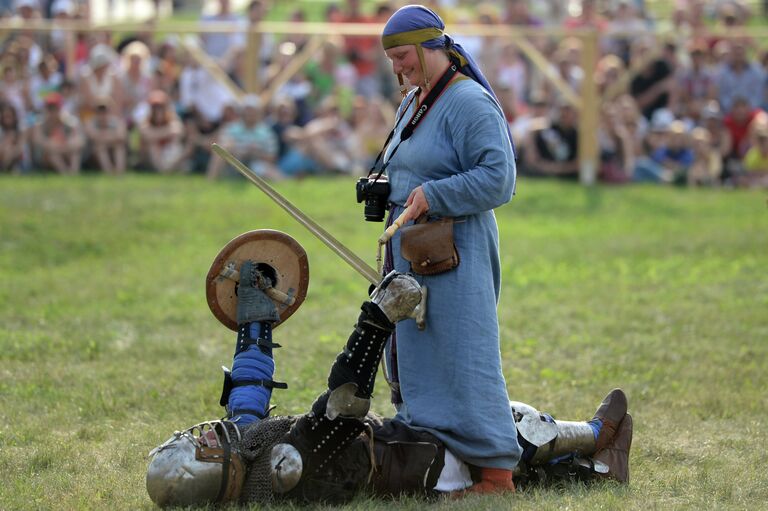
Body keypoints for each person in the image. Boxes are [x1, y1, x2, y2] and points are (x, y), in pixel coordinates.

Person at [145, 236, 633, 507]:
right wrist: (378, 317)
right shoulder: (286, 466)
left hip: (407, 443)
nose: (206, 437)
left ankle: (599, 468)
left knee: (515, 457)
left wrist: (255, 310)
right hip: (423, 465)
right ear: (213, 473)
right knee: (509, 426)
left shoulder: (246, 457)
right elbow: (343, 402)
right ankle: (595, 435)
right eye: (202, 448)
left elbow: (248, 390)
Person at [374, 4, 519, 494]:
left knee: (463, 355)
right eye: (391, 58)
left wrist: (433, 195)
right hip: (414, 250)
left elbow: (499, 178)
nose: (397, 67)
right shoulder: (414, 101)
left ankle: (497, 472)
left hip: (457, 252)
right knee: (422, 356)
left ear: (426, 47)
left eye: (402, 55)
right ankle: (440, 461)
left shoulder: (468, 102)